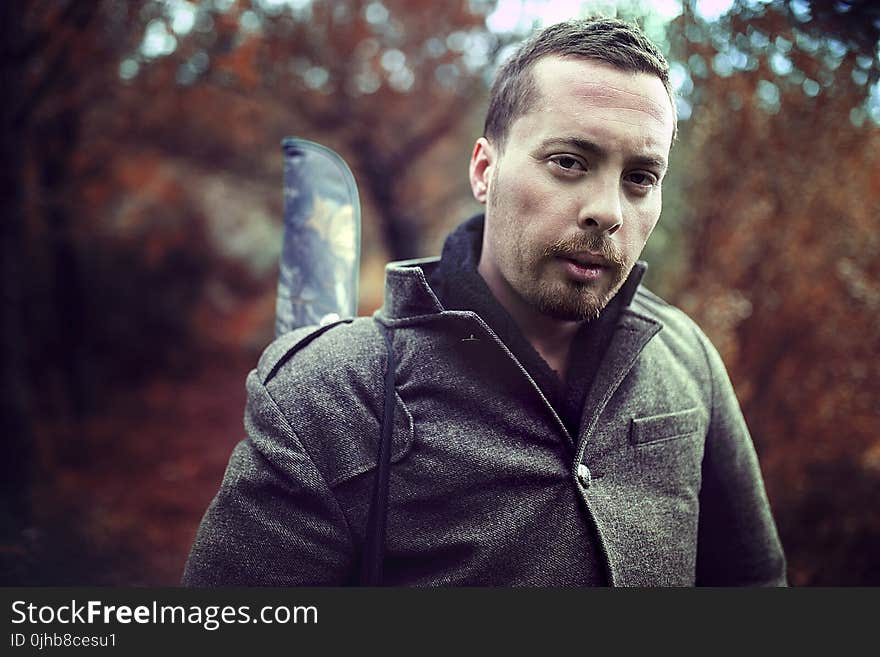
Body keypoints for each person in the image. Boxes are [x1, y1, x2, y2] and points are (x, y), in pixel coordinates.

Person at [183, 17, 786, 586]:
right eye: (569, 162)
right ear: (484, 170)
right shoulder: (332, 394)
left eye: (640, 178)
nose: (608, 210)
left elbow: (754, 584)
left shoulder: (687, 359)